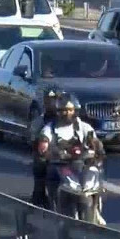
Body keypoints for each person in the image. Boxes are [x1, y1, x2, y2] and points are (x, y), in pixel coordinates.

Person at [36, 95, 106, 223]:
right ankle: (50, 205)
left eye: (70, 110)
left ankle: (95, 208)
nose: (67, 113)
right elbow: (43, 146)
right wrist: (49, 152)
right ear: (58, 112)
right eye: (63, 110)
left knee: (95, 175)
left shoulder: (84, 127)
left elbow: (95, 142)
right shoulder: (49, 129)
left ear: (75, 111)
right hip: (59, 166)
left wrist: (97, 151)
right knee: (46, 173)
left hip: (81, 164)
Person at [28, 89, 63, 207]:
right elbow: (34, 142)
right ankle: (39, 196)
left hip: (66, 152)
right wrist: (43, 152)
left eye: (55, 100)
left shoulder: (67, 118)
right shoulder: (39, 122)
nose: (53, 103)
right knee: (40, 165)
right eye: (49, 100)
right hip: (48, 154)